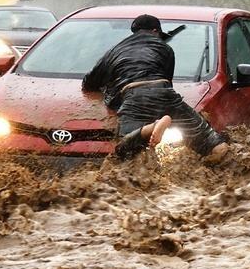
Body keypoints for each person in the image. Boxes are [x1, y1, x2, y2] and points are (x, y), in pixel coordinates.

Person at [82, 14, 229, 162]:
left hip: (134, 96)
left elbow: (88, 83)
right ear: (155, 31)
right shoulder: (166, 49)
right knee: (214, 145)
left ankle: (150, 128)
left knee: (122, 151)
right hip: (166, 94)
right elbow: (167, 81)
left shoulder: (114, 51)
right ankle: (217, 150)